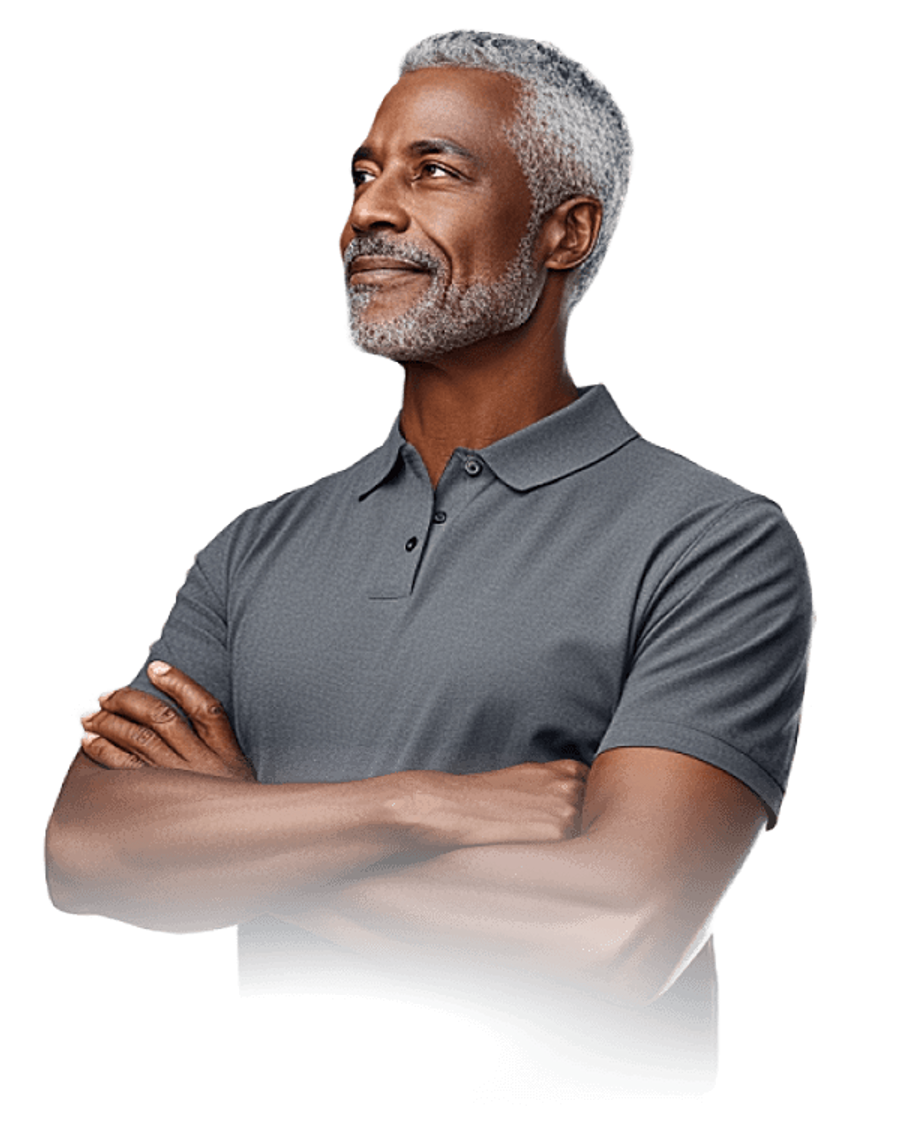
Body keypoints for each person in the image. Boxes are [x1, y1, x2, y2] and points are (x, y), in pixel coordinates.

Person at [44, 28, 816, 1103]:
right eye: (363, 173)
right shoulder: (255, 543)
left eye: (434, 171)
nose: (370, 210)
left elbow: (621, 925)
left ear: (566, 231)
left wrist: (246, 834)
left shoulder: (713, 540)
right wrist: (422, 806)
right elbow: (86, 852)